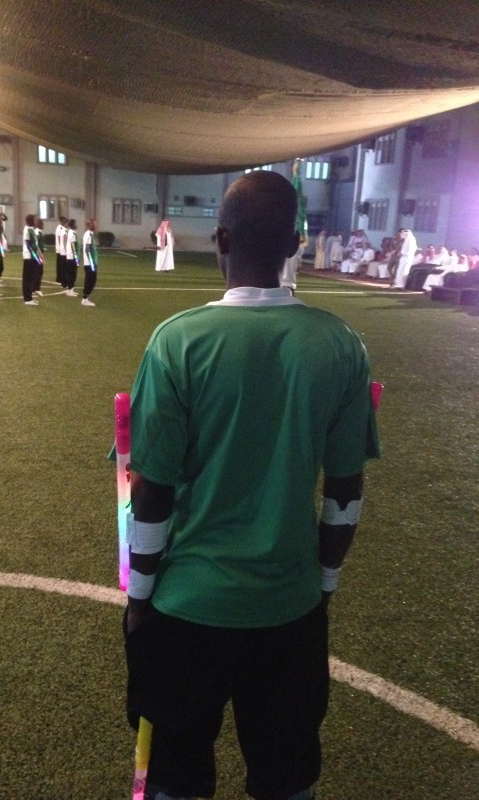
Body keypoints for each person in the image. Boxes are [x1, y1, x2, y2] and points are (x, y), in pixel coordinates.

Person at [121, 170, 380, 800]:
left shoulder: (176, 341)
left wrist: (139, 596)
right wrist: (323, 585)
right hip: (289, 608)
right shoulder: (341, 345)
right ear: (294, 244)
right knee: (286, 779)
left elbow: (151, 490)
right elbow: (344, 491)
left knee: (177, 778)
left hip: (187, 608)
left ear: (221, 240)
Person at [21, 214, 41, 306]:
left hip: (33, 257)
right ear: (30, 221)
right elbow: (28, 245)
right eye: (34, 220)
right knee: (27, 278)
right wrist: (34, 255)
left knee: (32, 277)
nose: (36, 221)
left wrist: (38, 255)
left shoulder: (31, 229)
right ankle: (27, 299)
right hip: (29, 257)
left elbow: (35, 244)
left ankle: (30, 297)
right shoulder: (27, 230)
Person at [81, 217, 98, 306]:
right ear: (89, 225)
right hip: (90, 264)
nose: (95, 225)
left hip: (91, 263)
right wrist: (91, 263)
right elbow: (87, 250)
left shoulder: (90, 234)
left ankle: (85, 298)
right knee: (90, 281)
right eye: (93, 223)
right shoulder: (88, 235)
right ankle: (84, 299)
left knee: (92, 281)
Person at [64, 218, 79, 296]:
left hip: (70, 256)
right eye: (75, 223)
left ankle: (71, 289)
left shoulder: (70, 232)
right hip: (72, 256)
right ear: (73, 225)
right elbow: (73, 246)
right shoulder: (72, 233)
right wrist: (76, 258)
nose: (76, 225)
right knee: (72, 274)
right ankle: (70, 290)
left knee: (71, 274)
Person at [55, 216, 68, 285]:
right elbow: (60, 239)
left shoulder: (60, 228)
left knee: (60, 265)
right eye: (64, 221)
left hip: (60, 249)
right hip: (60, 250)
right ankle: (60, 278)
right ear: (61, 221)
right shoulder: (60, 228)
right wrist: (62, 247)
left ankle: (59, 278)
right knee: (61, 265)